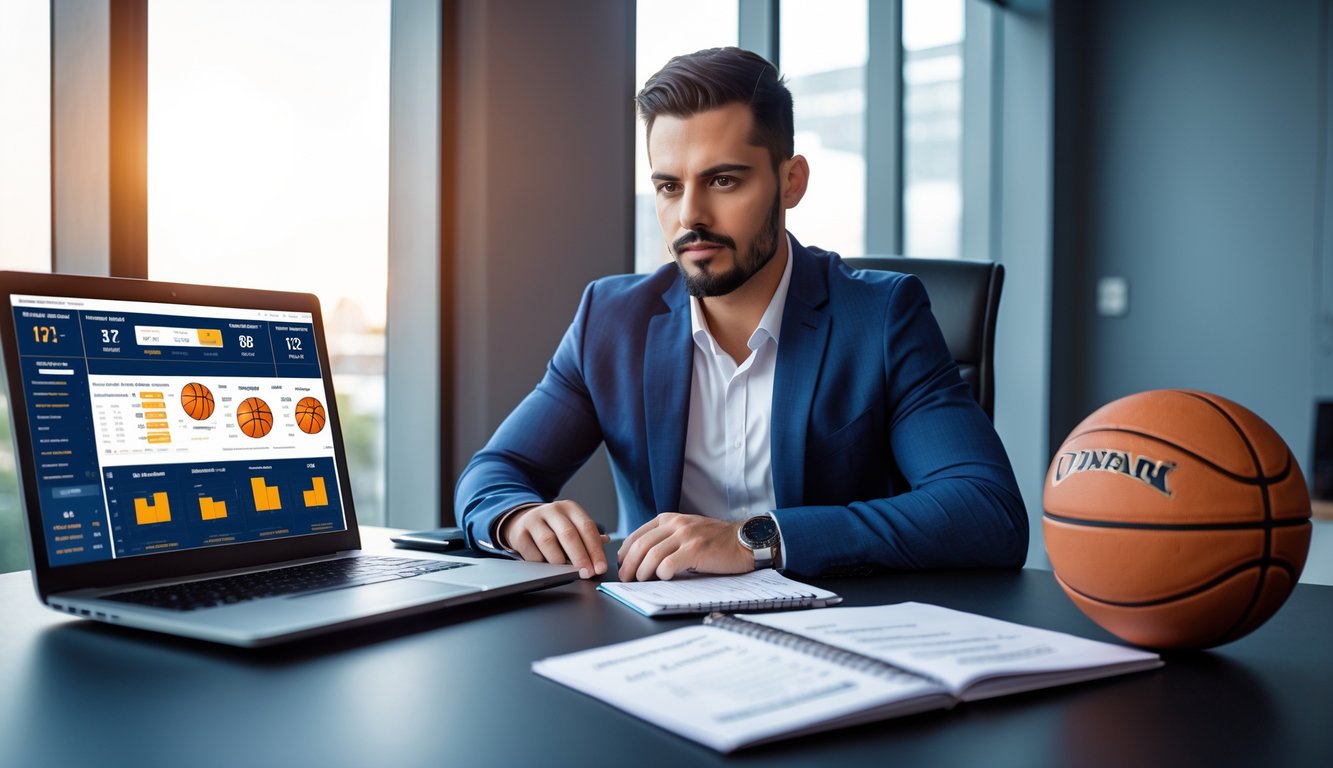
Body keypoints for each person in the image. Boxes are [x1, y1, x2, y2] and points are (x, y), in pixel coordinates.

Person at [455, 47, 1027, 582]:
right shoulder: (610, 319)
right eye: (668, 186)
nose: (690, 216)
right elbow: (496, 472)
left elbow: (985, 509)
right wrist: (515, 517)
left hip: (835, 638)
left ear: (790, 181)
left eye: (723, 180)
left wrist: (757, 540)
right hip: (655, 645)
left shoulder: (880, 316)